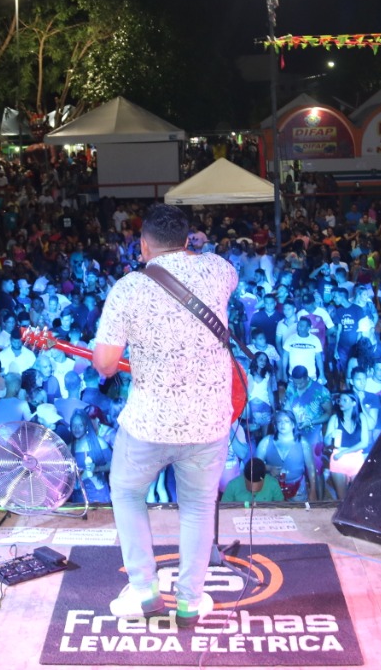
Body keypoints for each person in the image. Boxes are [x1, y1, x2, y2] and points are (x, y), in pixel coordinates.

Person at [93, 203, 238, 628]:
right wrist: (198, 249)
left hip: (149, 423)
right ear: (188, 240)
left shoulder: (128, 289)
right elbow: (214, 262)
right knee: (197, 507)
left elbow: (105, 364)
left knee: (126, 493)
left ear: (142, 245)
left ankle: (144, 591)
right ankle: (190, 602)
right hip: (208, 422)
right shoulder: (220, 270)